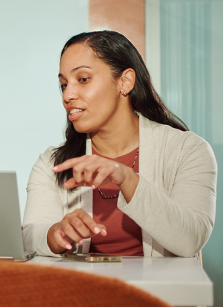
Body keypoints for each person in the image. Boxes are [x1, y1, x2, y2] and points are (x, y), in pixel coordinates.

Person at [22, 30, 216, 258]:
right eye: (64, 84)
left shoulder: (188, 150)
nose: (67, 95)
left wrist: (126, 178)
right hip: (80, 290)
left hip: (157, 292)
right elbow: (30, 235)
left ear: (125, 81)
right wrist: (54, 234)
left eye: (82, 79)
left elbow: (190, 240)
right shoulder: (52, 163)